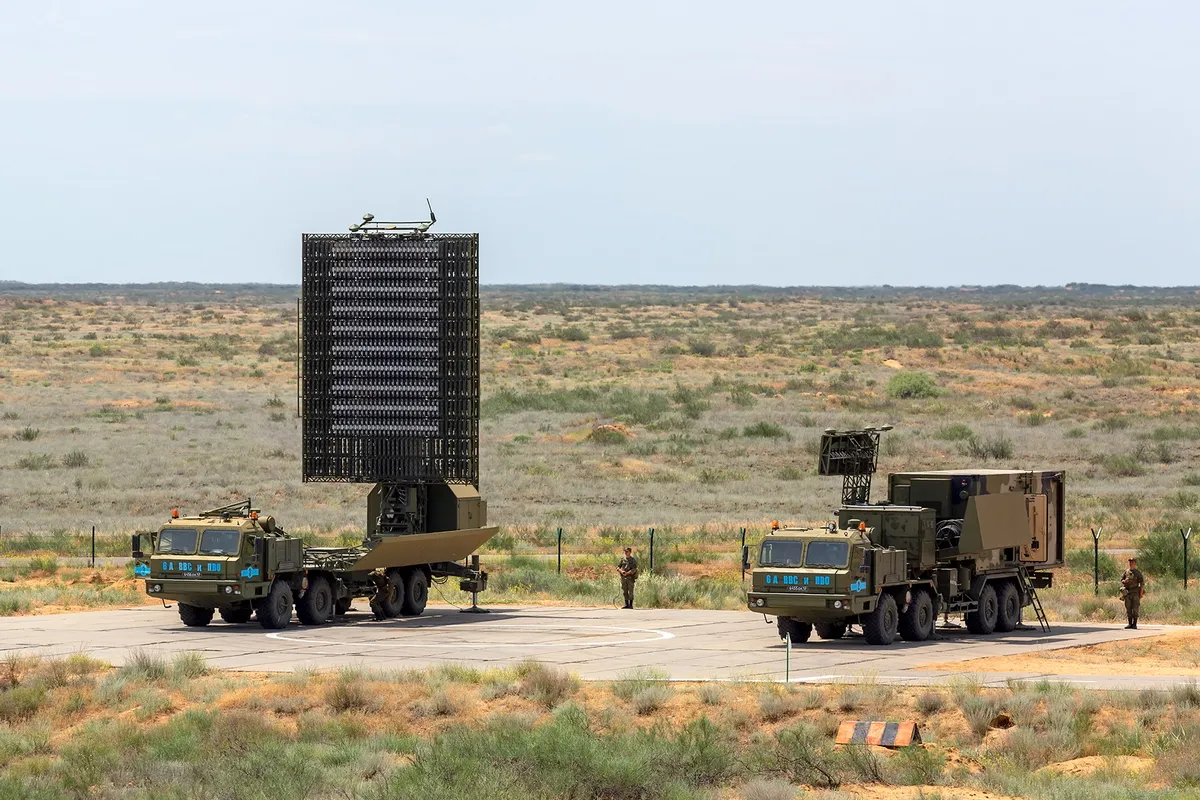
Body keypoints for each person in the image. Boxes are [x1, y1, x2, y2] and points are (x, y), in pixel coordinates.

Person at [1120, 557, 1145, 629]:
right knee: (1128, 608)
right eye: (1130, 562)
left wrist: (1141, 594)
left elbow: (1142, 583)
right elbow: (1122, 579)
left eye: (1132, 562)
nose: (1131, 564)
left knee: (1135, 608)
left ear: (1135, 563)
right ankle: (1130, 623)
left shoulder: (1137, 573)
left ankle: (1135, 624)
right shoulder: (1126, 572)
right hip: (1128, 592)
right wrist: (1124, 581)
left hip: (1135, 593)